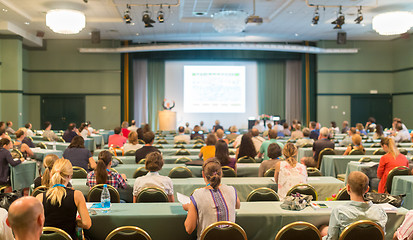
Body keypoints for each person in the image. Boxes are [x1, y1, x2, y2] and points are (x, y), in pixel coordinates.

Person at [183, 158, 240, 239]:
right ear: (221, 173)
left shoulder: (197, 195)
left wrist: (190, 208)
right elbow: (237, 206)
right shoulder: (231, 190)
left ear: (203, 174)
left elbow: (189, 229)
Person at [321, 171, 387, 240]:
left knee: (323, 229)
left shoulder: (339, 212)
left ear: (348, 188)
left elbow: (332, 238)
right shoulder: (380, 211)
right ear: (367, 189)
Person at [35, 159, 91, 239]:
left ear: (51, 175)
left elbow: (35, 224)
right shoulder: (77, 195)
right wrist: (74, 221)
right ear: (70, 176)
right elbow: (87, 224)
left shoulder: (40, 197)